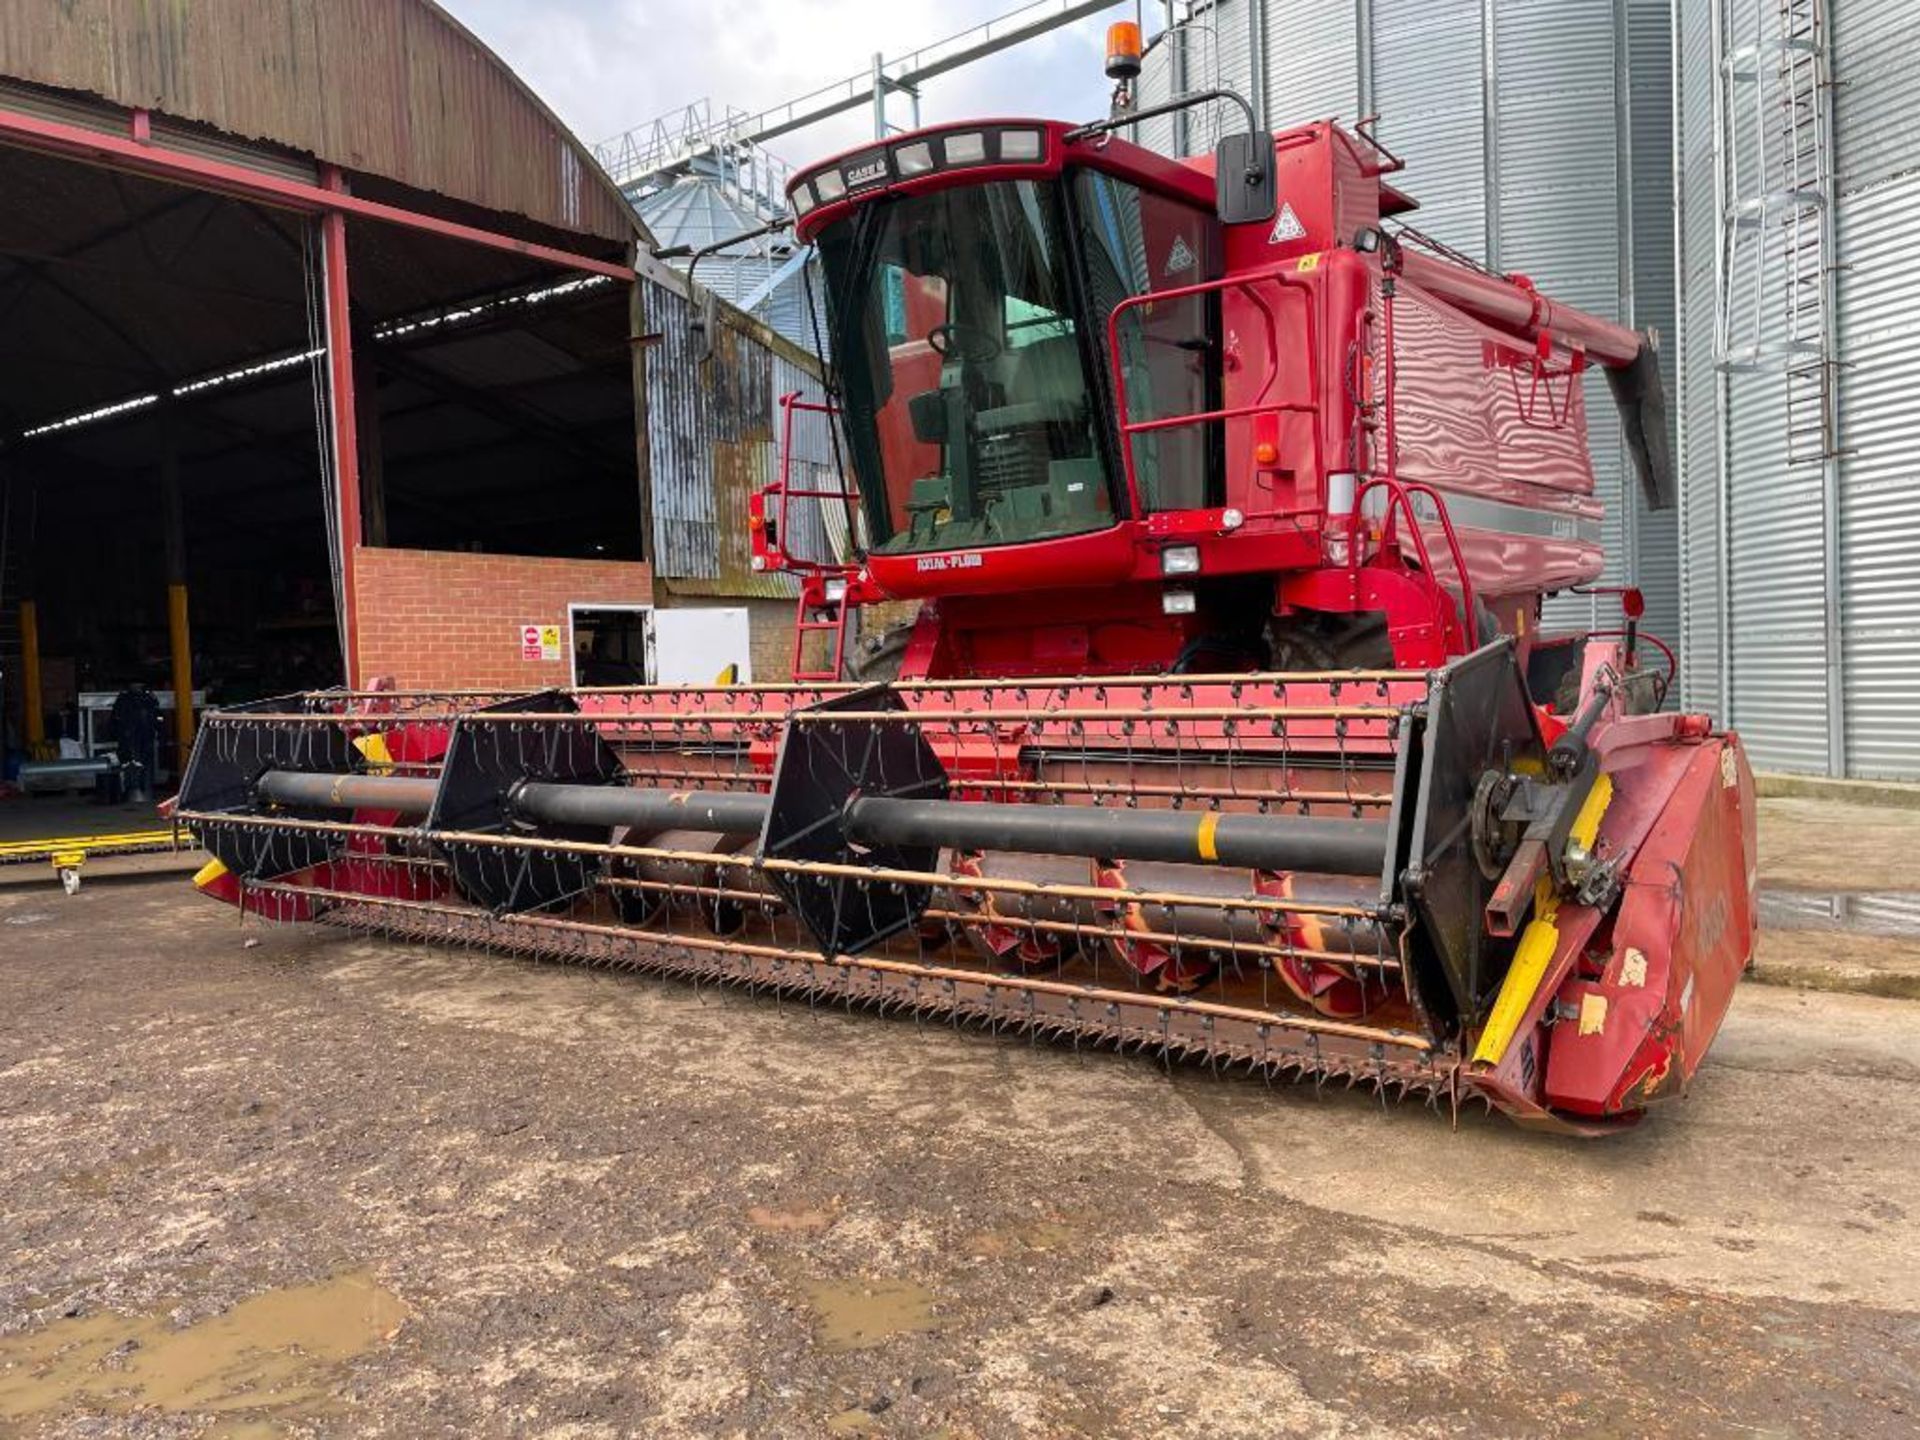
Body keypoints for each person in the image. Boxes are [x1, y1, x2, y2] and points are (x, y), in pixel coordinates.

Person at [109, 681, 161, 802]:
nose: (137, 687)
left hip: (143, 736)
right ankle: (134, 790)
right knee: (133, 763)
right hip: (131, 737)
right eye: (135, 685)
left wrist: (157, 728)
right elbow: (117, 718)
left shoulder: (147, 697)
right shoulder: (126, 698)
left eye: (139, 685)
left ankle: (144, 790)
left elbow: (157, 715)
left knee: (143, 763)